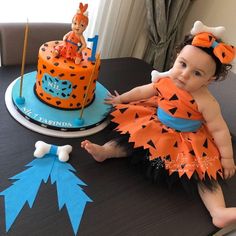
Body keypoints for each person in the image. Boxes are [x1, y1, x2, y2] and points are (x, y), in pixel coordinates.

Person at [81, 21, 236, 228]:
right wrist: (122, 99)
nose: (184, 74)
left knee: (204, 173)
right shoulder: (167, 81)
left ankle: (218, 211)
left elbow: (219, 129)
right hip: (156, 124)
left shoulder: (206, 102)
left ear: (210, 79)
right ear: (177, 58)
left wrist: (227, 159)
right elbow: (142, 92)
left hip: (188, 140)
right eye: (182, 64)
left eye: (197, 73)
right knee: (132, 139)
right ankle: (105, 152)